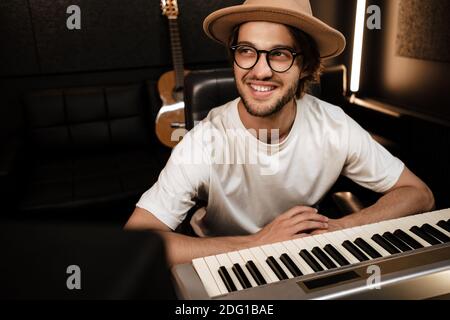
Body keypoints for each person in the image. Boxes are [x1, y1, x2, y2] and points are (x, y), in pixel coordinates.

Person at [125, 0, 434, 266]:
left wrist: (344, 227)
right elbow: (136, 244)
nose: (260, 71)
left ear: (305, 64)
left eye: (280, 53)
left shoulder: (334, 125)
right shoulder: (204, 142)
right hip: (225, 261)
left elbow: (419, 193)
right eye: (247, 51)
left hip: (302, 256)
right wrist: (258, 243)